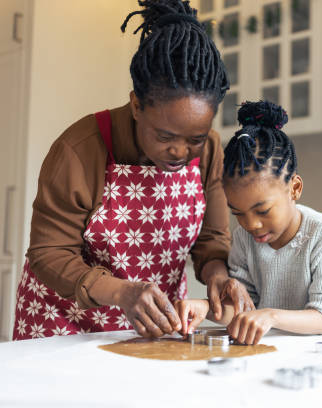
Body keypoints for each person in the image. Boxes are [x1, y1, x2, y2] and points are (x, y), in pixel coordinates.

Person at [12, 0, 253, 341]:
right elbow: (48, 253)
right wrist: (122, 293)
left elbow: (211, 240)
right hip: (63, 322)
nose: (180, 152)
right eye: (165, 136)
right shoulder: (80, 149)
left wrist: (218, 277)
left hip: (151, 324)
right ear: (137, 106)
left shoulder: (211, 149)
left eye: (194, 138)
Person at [175, 101, 322, 345]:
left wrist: (271, 316)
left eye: (263, 210)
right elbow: (243, 308)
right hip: (274, 349)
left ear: (295, 188)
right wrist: (205, 307)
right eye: (238, 212)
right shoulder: (243, 239)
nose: (251, 224)